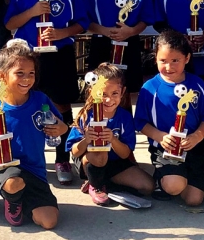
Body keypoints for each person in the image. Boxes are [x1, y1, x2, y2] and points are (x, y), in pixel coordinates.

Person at [4, 0, 89, 185]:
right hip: (28, 58)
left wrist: (62, 33)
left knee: (60, 105)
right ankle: (31, 158)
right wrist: (32, 12)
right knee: (26, 105)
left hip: (59, 56)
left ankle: (62, 158)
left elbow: (82, 23)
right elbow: (9, 22)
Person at [0, 40, 68, 229]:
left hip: (35, 169)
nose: (26, 79)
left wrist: (61, 128)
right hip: (7, 169)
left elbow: (61, 126)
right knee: (14, 183)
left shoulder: (40, 100)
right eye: (19, 73)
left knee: (49, 221)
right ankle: (14, 201)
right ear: (2, 76)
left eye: (31, 73)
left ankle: (26, 199)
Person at [134, 30, 204, 206]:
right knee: (174, 186)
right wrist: (159, 136)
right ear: (155, 58)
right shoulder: (149, 88)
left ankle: (183, 175)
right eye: (163, 61)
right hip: (165, 149)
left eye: (175, 61)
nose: (169, 67)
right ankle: (165, 179)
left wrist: (197, 136)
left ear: (187, 58)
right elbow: (140, 121)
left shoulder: (198, 85)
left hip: (194, 147)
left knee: (194, 200)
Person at [66, 63, 154, 206]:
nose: (109, 99)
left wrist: (112, 139)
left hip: (115, 162)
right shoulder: (85, 115)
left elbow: (126, 154)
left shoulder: (124, 117)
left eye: (114, 93)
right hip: (91, 160)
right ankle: (96, 186)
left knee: (147, 187)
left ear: (123, 92)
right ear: (92, 92)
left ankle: (103, 182)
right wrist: (87, 139)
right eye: (103, 94)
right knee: (101, 154)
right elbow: (75, 152)